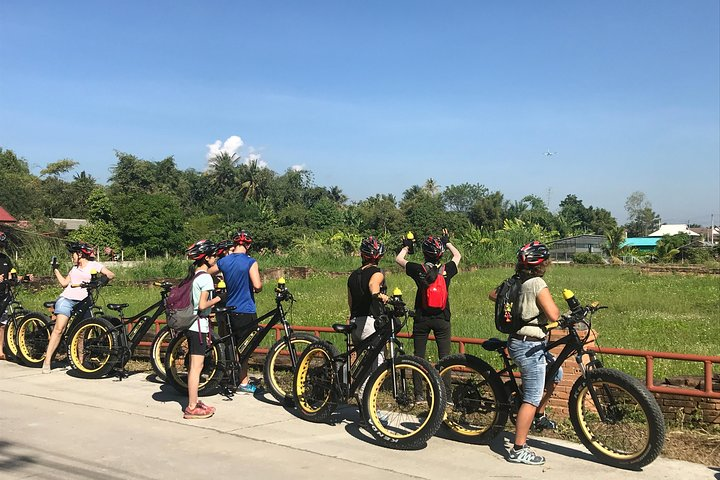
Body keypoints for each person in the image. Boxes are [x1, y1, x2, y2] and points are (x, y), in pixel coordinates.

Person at [490, 241, 562, 466]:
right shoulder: (537, 283)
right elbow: (553, 314)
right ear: (543, 264)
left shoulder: (515, 280)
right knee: (531, 397)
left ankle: (537, 416)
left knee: (555, 375)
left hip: (521, 341)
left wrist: (518, 306)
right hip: (528, 345)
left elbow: (493, 295)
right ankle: (518, 448)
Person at [395, 228, 461, 380]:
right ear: (441, 253)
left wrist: (406, 246)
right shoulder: (447, 269)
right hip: (442, 317)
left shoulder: (419, 269)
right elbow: (458, 255)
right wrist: (447, 242)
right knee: (445, 358)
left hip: (422, 317)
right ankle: (447, 396)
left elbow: (399, 259)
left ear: (424, 253)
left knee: (419, 358)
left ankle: (419, 395)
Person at [42, 242, 115, 373]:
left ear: (80, 254)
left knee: (81, 333)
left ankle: (80, 362)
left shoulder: (93, 265)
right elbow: (65, 283)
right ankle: (47, 361)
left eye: (73, 255)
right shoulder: (74, 269)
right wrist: (55, 269)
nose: (72, 257)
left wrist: (101, 281)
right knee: (59, 329)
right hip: (67, 300)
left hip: (84, 300)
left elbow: (110, 274)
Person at [207, 229, 262, 394]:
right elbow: (258, 286)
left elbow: (208, 272)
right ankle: (243, 382)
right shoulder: (250, 262)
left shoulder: (225, 261)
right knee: (245, 347)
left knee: (230, 344)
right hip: (246, 309)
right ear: (248, 245)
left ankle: (231, 376)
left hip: (229, 309)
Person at [181, 240, 222, 419]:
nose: (216, 258)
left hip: (191, 325)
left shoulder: (194, 274)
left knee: (194, 366)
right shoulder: (205, 278)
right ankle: (191, 407)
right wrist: (220, 298)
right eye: (213, 255)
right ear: (206, 258)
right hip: (198, 325)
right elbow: (203, 304)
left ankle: (194, 400)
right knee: (197, 367)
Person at [347, 236, 389, 388]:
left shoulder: (353, 276)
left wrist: (352, 317)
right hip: (370, 323)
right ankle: (365, 396)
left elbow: (350, 301)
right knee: (377, 364)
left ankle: (341, 380)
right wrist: (380, 296)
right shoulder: (377, 272)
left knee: (354, 354)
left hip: (355, 323)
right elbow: (373, 285)